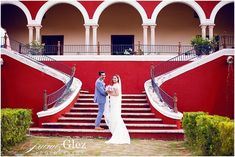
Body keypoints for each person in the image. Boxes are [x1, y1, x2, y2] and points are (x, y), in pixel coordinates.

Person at [104, 75, 130, 144]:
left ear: (118, 79)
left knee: (115, 115)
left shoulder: (117, 85)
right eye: (113, 78)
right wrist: (109, 91)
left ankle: (117, 131)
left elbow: (117, 94)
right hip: (113, 101)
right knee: (114, 115)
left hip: (115, 102)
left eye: (115, 78)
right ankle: (114, 129)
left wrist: (109, 92)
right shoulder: (114, 84)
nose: (114, 79)